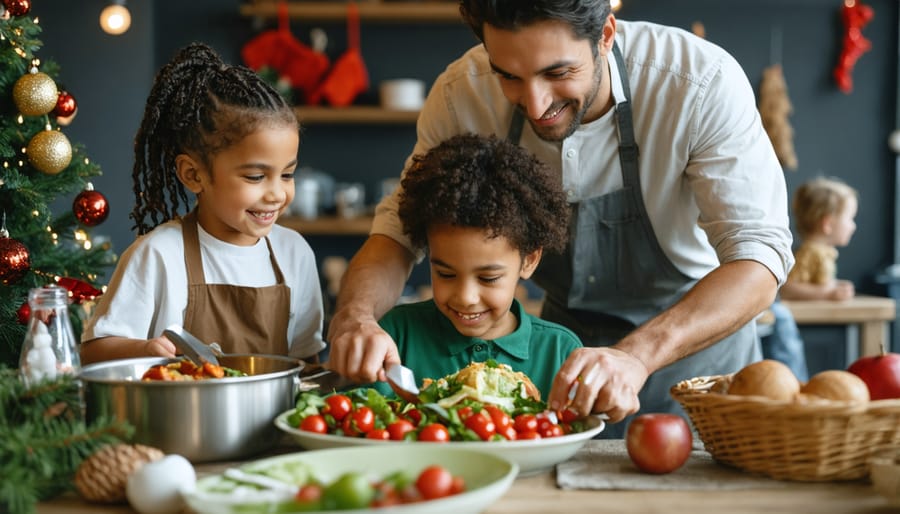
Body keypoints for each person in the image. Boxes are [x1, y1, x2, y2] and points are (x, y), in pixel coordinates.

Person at [325, 0, 793, 437]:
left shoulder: (697, 81)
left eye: (559, 72)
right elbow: (397, 234)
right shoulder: (459, 93)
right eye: (507, 76)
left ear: (605, 34)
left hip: (694, 353)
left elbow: (759, 259)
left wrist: (635, 355)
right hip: (559, 361)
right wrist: (355, 317)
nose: (535, 104)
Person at [80, 42, 324, 365]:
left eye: (287, 174)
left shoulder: (295, 254)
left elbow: (307, 365)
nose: (277, 194)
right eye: (255, 177)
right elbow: (93, 352)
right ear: (193, 175)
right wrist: (145, 351)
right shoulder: (159, 255)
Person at [368, 133, 581, 398]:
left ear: (529, 260)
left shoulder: (560, 351)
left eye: (488, 278)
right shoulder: (396, 337)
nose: (466, 298)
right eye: (445, 274)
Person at [780, 177, 858, 302]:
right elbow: (787, 288)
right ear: (827, 224)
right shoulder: (811, 253)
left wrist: (835, 286)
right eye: (850, 218)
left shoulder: (823, 253)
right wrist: (828, 294)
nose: (853, 226)